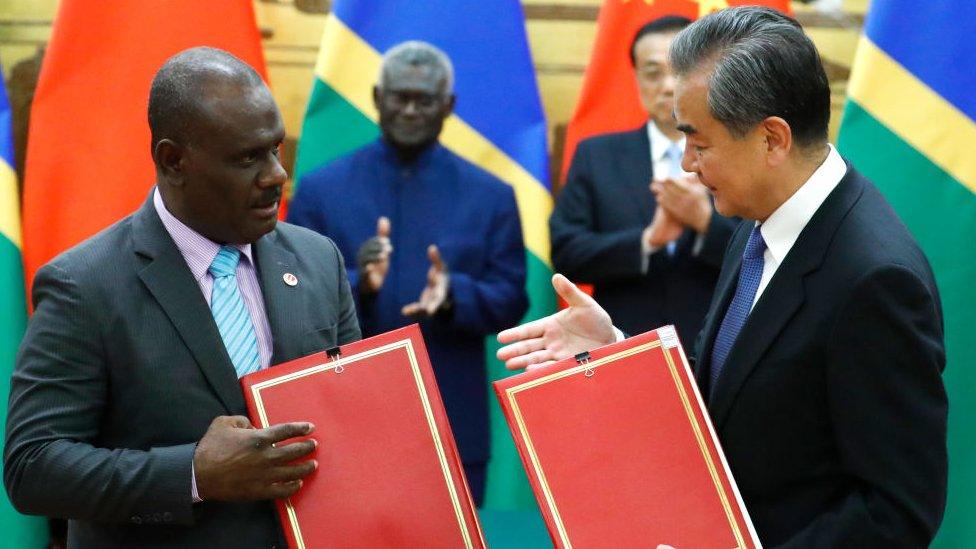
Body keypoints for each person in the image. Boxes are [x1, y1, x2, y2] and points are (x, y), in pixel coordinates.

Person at [497, 7, 947, 547]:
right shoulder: (759, 217)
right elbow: (738, 386)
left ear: (773, 139)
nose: (685, 163)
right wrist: (619, 352)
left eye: (700, 143)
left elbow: (896, 513)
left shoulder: (875, 279)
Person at [4, 47, 361, 548]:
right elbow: (33, 466)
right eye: (246, 158)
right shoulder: (84, 285)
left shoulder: (318, 259)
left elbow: (352, 423)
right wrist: (192, 474)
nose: (276, 176)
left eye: (275, 150)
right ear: (173, 161)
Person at [287, 41, 528, 506]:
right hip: (345, 412)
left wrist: (454, 295)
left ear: (449, 106)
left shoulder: (491, 195)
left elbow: (512, 297)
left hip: (452, 416)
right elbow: (289, 296)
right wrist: (360, 284)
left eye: (426, 100)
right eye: (400, 98)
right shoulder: (320, 189)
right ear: (378, 98)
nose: (411, 111)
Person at [550, 15, 736, 343]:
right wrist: (648, 240)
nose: (667, 86)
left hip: (721, 345)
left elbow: (768, 251)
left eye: (679, 71)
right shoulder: (597, 156)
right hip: (625, 345)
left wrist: (706, 222)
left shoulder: (736, 150)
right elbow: (567, 253)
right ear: (636, 78)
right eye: (653, 73)